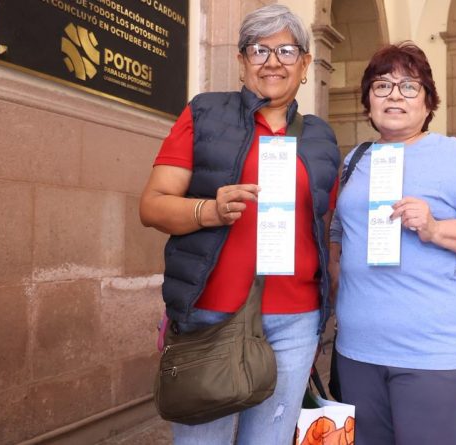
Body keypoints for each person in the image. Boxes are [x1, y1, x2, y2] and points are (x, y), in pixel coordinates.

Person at [139, 5, 340, 444]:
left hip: (294, 320)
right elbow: (152, 206)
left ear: (306, 63)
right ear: (242, 60)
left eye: (286, 50)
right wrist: (209, 211)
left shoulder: (321, 137)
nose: (272, 61)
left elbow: (325, 230)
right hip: (212, 314)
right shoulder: (205, 113)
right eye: (259, 50)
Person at [328, 42, 456, 445]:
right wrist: (335, 270)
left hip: (428, 350)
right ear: (368, 101)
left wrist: (435, 229)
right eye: (382, 85)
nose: (394, 95)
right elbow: (340, 226)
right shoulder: (355, 159)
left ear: (428, 101)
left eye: (409, 86)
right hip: (357, 347)